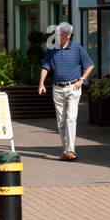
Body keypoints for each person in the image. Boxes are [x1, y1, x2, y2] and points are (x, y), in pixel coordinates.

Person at [37, 21, 94, 161]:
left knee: (70, 118)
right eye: (56, 34)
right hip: (57, 88)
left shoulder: (77, 48)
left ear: (68, 36)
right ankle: (65, 150)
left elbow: (90, 65)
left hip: (73, 87)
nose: (57, 36)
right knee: (61, 122)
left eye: (60, 34)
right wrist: (41, 84)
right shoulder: (52, 49)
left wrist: (82, 79)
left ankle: (70, 150)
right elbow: (45, 67)